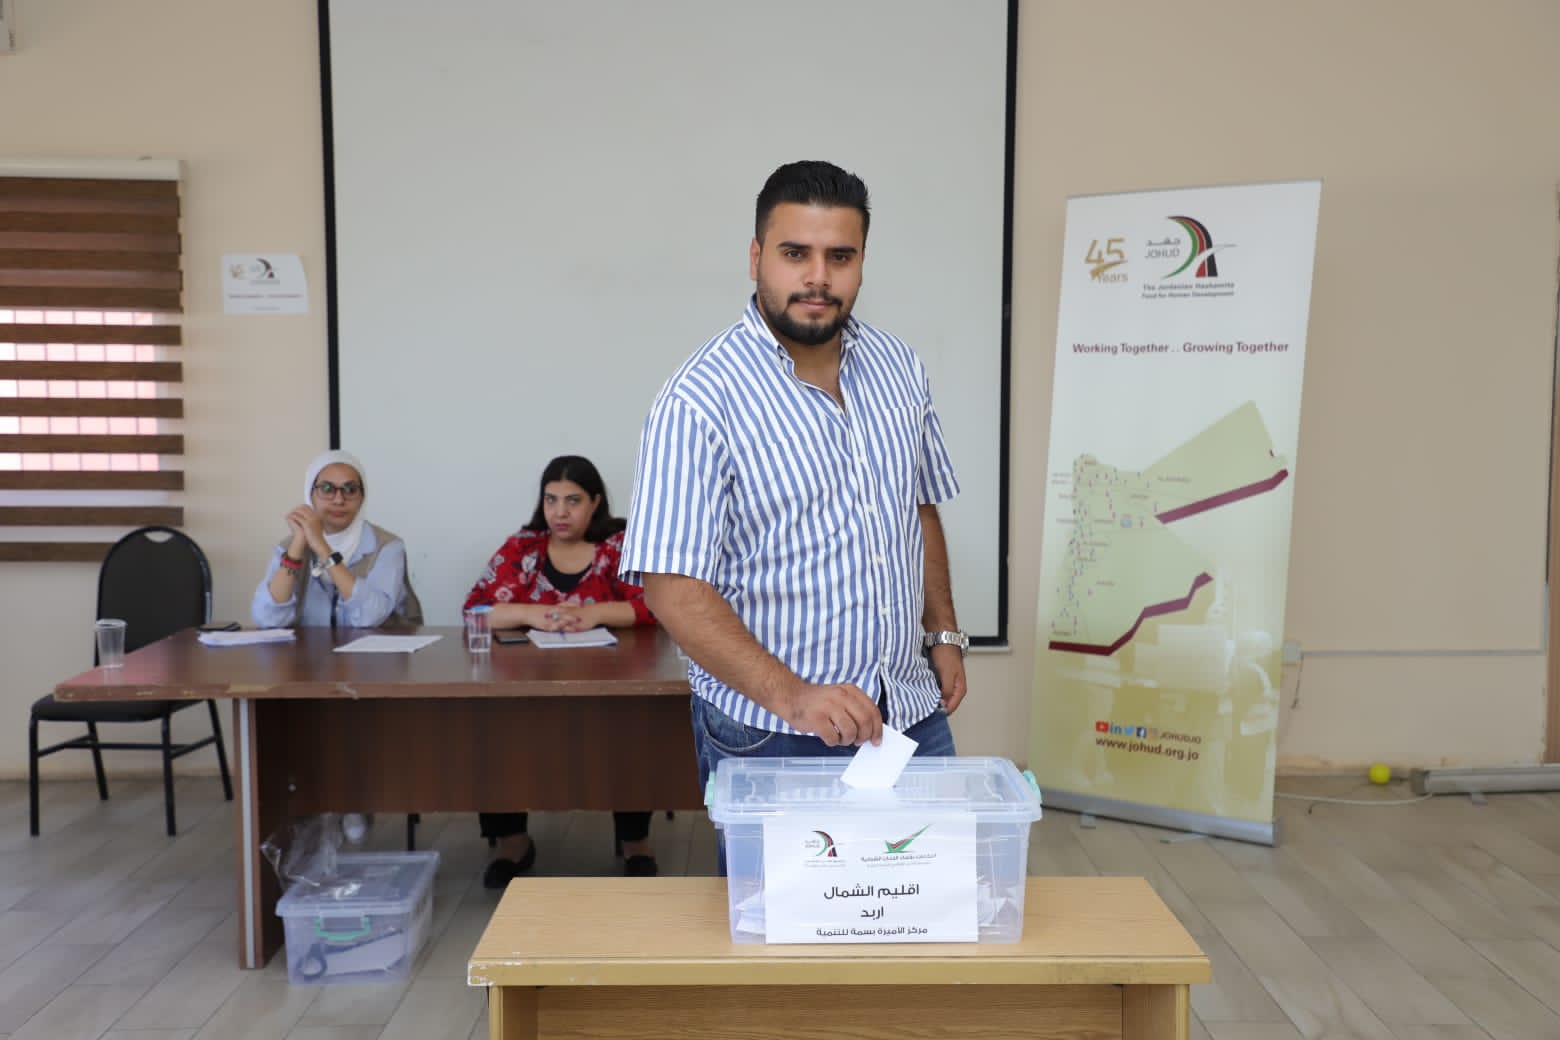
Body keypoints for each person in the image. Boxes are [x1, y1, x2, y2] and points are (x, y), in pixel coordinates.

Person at [621, 160, 969, 801]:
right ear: (756, 258)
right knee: (793, 879)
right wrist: (796, 696)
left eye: (840, 256)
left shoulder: (900, 368)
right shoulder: (698, 399)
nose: (818, 277)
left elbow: (917, 508)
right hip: (773, 727)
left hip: (909, 709)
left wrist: (942, 632)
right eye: (794, 253)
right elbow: (672, 588)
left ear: (862, 261)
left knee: (928, 868)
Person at [464, 455, 659, 886]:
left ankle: (635, 842)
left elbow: (653, 606)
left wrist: (595, 613)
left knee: (633, 728)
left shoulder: (618, 547)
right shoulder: (524, 548)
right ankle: (512, 842)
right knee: (493, 727)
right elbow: (476, 609)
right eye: (551, 500)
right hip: (529, 686)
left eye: (573, 500)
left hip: (610, 684)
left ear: (595, 502)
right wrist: (532, 613)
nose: (560, 512)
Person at [251, 448, 422, 842]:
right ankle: (315, 801)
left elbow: (368, 615)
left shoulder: (387, 547)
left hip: (375, 671)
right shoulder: (289, 545)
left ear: (363, 496)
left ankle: (351, 797)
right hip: (307, 671)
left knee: (348, 719)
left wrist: (324, 549)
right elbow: (268, 617)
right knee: (286, 720)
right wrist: (299, 546)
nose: (338, 499)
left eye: (350, 489)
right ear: (310, 494)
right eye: (326, 489)